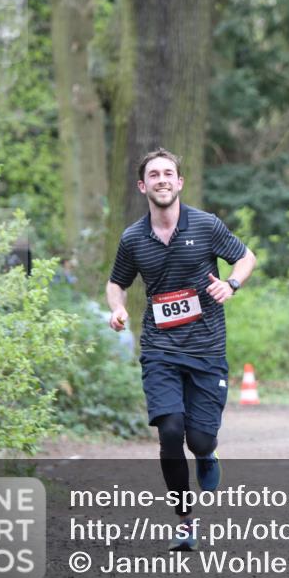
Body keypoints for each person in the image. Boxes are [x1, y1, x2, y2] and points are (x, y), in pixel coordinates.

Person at [107, 148, 256, 551]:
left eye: (168, 173)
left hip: (207, 349)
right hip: (160, 348)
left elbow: (246, 257)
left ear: (180, 182)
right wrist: (117, 308)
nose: (162, 180)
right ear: (143, 186)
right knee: (170, 432)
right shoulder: (133, 237)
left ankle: (207, 455)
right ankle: (185, 520)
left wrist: (231, 285)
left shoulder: (205, 224)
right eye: (154, 174)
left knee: (200, 440)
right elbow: (117, 282)